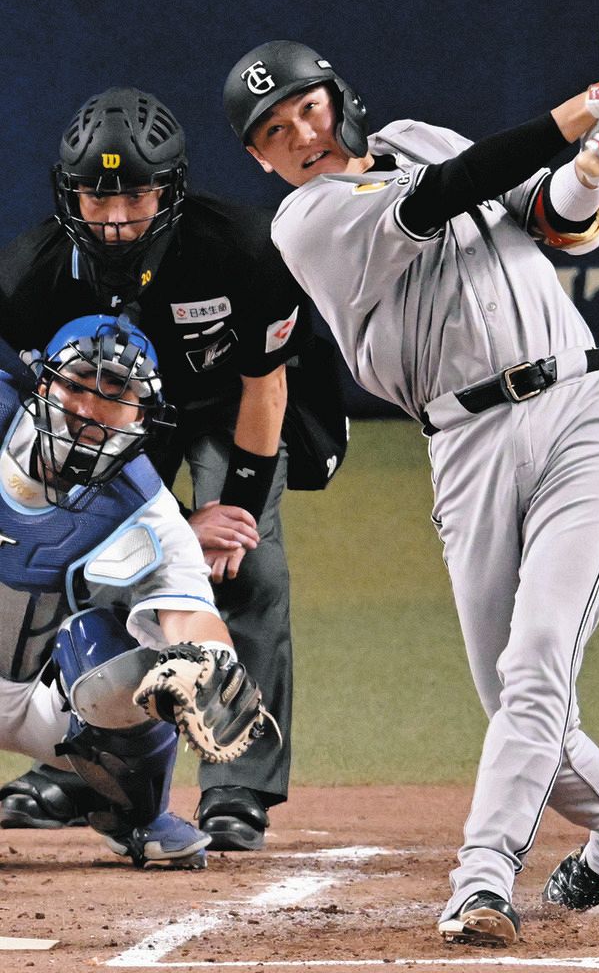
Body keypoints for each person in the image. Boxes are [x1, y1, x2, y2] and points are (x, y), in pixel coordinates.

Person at [221, 40, 599, 945]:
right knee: (513, 694)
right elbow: (447, 194)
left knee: (539, 654)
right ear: (261, 159)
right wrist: (589, 107)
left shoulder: (417, 137)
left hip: (586, 415)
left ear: (336, 98)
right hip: (465, 450)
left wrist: (594, 164)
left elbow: (554, 220)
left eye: (308, 109)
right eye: (275, 132)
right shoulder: (306, 221)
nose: (302, 134)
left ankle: (482, 880)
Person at [0, 87, 347, 851]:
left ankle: (238, 788)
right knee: (79, 564)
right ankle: (79, 767)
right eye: (98, 197)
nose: (118, 215)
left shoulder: (245, 248)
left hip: (229, 408)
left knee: (246, 573)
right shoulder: (29, 279)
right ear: (70, 195)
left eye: (137, 193)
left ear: (172, 189)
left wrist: (240, 511)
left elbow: (267, 384)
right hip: (111, 420)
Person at [0, 312, 265, 868]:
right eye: (75, 385)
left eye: (115, 396)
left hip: (36, 703)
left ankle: (136, 818)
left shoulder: (146, 506)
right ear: (43, 383)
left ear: (142, 417)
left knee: (131, 664)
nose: (87, 411)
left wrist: (213, 664)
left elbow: (187, 612)